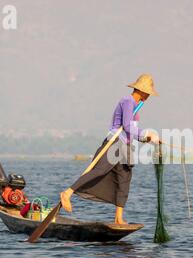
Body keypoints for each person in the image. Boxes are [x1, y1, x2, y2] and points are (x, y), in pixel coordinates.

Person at [59, 74, 160, 224]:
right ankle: (67, 192)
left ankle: (118, 218)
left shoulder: (136, 106)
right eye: (148, 93)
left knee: (124, 180)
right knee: (100, 171)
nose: (148, 97)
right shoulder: (127, 101)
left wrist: (147, 138)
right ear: (142, 91)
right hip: (114, 143)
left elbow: (132, 130)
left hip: (126, 146)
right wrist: (145, 134)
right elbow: (125, 126)